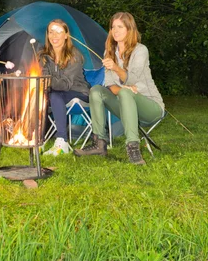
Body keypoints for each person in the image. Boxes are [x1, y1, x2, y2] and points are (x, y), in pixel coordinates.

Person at [74, 12, 165, 165]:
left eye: (120, 27)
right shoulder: (109, 52)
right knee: (96, 90)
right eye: (112, 27)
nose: (115, 31)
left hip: (150, 106)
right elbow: (110, 85)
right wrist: (125, 93)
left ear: (129, 29)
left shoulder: (140, 50)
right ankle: (99, 143)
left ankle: (133, 148)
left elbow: (133, 78)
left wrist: (116, 68)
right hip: (125, 105)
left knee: (124, 92)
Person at [39, 19, 90, 156]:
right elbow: (42, 78)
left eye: (58, 32)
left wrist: (46, 81)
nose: (54, 36)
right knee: (37, 96)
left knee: (55, 95)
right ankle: (37, 138)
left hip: (78, 92)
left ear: (66, 35)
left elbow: (65, 84)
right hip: (57, 93)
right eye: (51, 32)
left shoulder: (74, 55)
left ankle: (62, 141)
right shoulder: (44, 56)